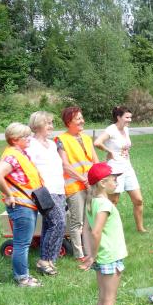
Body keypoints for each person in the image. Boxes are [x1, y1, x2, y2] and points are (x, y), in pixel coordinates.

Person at [0, 123, 44, 287]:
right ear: (14, 139)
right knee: (22, 244)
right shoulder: (12, 156)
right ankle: (22, 279)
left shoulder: (20, 153)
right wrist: (9, 194)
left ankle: (24, 276)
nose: (29, 138)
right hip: (21, 206)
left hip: (27, 205)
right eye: (25, 136)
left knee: (24, 243)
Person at [83, 163, 128, 305]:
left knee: (103, 297)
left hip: (102, 256)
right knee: (109, 299)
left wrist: (90, 254)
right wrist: (92, 255)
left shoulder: (92, 202)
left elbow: (86, 230)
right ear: (102, 183)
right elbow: (95, 232)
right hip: (109, 256)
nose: (116, 182)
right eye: (113, 179)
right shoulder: (104, 204)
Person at [93, 106, 147, 232]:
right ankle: (107, 229)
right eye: (127, 117)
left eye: (130, 117)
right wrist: (109, 151)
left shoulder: (126, 130)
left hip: (128, 169)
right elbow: (97, 142)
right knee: (113, 201)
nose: (130, 120)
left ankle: (140, 228)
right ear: (118, 117)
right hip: (115, 171)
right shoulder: (111, 129)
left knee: (138, 200)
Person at [56, 106, 99, 263]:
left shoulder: (86, 138)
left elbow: (95, 161)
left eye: (82, 118)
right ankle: (79, 254)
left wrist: (99, 178)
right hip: (74, 187)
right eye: (78, 118)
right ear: (69, 122)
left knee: (90, 221)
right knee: (77, 222)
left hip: (91, 185)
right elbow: (65, 165)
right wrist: (83, 179)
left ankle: (90, 250)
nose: (82, 121)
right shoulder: (61, 140)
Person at [26, 111, 66, 276]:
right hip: (44, 191)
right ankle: (44, 260)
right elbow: (28, 168)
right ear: (37, 125)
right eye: (47, 123)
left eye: (51, 123)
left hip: (59, 188)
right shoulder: (30, 144)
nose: (51, 126)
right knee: (58, 223)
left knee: (50, 225)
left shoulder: (51, 144)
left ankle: (49, 260)